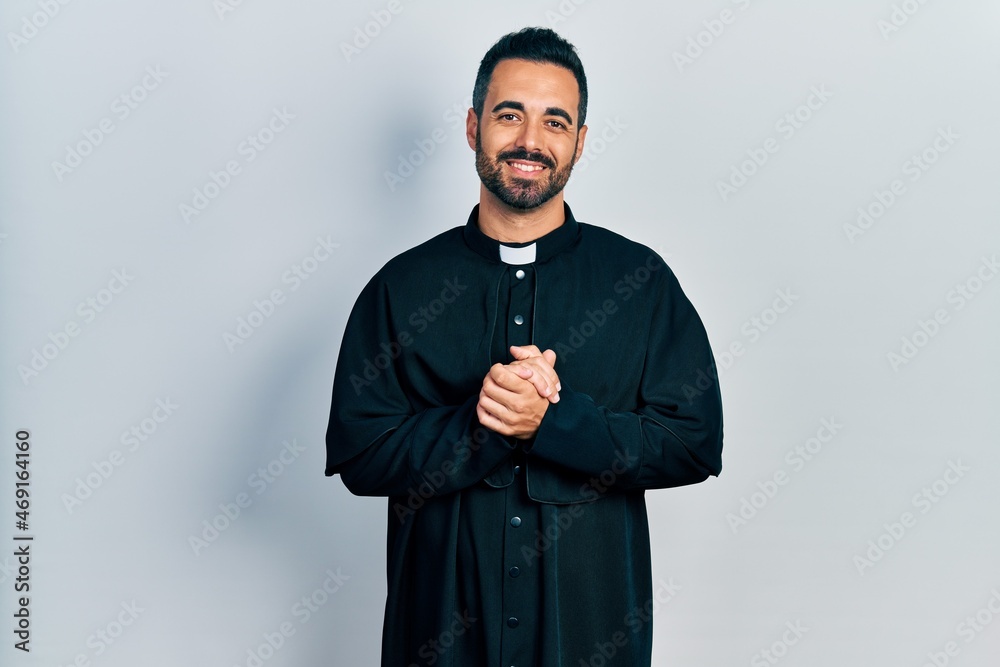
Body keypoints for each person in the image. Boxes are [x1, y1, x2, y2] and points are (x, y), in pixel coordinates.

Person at [326, 26, 723, 667]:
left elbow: (694, 442)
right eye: (510, 115)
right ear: (473, 125)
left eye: (555, 122)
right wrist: (480, 424)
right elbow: (359, 453)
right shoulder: (400, 288)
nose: (530, 142)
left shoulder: (640, 284)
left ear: (580, 142)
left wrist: (557, 424)